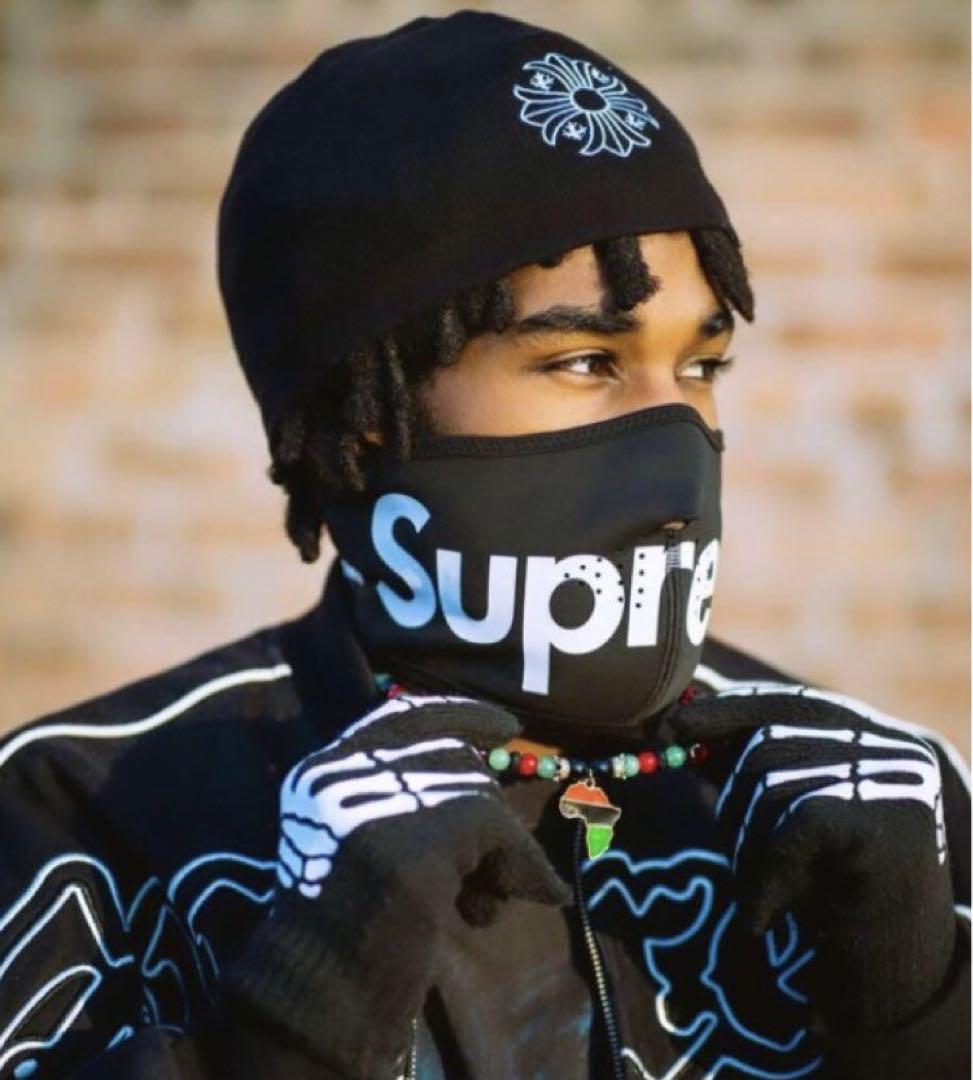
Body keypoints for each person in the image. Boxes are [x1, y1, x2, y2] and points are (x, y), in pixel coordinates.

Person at [0, 11, 967, 1080]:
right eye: (585, 362)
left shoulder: (870, 799)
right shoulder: (78, 816)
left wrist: (915, 1014)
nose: (675, 447)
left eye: (701, 368)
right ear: (368, 415)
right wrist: (296, 1017)